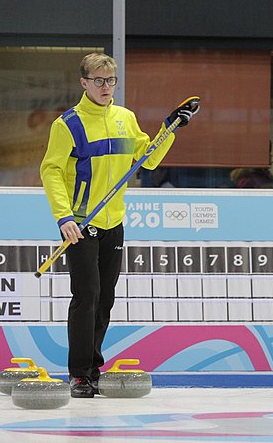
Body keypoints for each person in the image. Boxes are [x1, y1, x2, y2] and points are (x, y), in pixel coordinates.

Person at [40, 52, 195, 398]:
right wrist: (63, 216)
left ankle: (94, 367)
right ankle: (79, 374)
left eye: (111, 80)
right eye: (99, 80)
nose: (106, 87)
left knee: (105, 298)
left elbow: (149, 158)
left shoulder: (125, 118)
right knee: (87, 296)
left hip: (114, 222)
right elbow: (50, 171)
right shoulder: (68, 124)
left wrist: (169, 128)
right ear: (84, 83)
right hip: (81, 223)